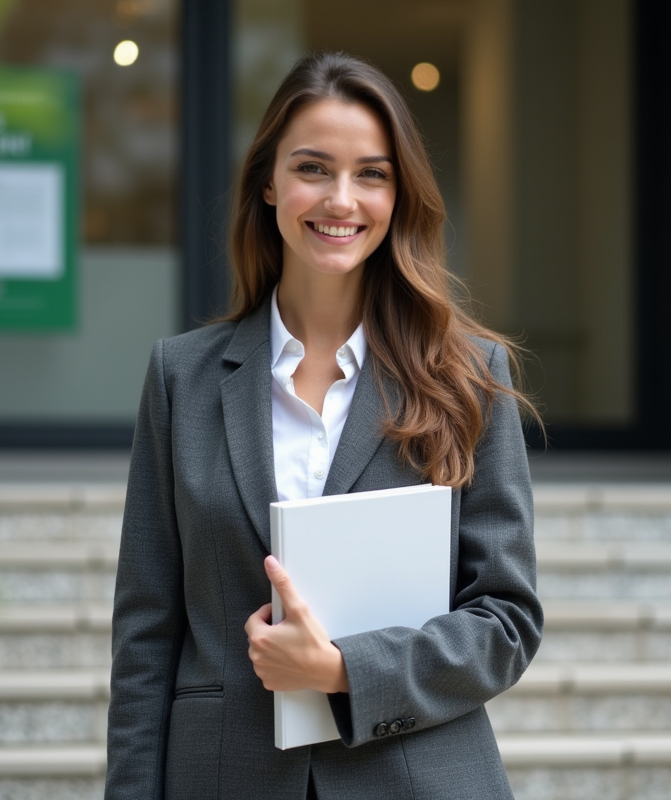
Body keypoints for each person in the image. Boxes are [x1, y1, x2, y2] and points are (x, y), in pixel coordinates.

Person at [105, 51, 543, 800]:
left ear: (399, 195)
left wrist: (342, 672)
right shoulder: (181, 377)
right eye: (314, 168)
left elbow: (505, 620)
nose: (342, 199)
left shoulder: (471, 376)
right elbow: (146, 637)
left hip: (415, 779)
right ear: (269, 183)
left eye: (372, 173)